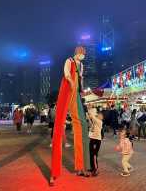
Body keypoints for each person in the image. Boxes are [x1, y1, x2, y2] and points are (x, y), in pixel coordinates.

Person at [51, 46, 90, 186]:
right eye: (81, 53)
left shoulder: (82, 65)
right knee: (58, 124)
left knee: (82, 126)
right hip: (67, 91)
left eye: (84, 54)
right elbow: (66, 73)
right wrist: (71, 82)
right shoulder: (69, 60)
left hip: (76, 95)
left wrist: (82, 90)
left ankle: (82, 167)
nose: (83, 56)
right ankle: (54, 173)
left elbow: (81, 79)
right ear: (77, 53)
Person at [88, 108, 103, 176]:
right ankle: (92, 167)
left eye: (99, 115)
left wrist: (91, 112)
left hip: (97, 140)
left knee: (94, 155)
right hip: (92, 139)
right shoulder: (95, 121)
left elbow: (93, 117)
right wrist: (89, 118)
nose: (98, 115)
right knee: (91, 154)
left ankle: (95, 169)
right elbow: (91, 124)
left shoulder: (99, 122)